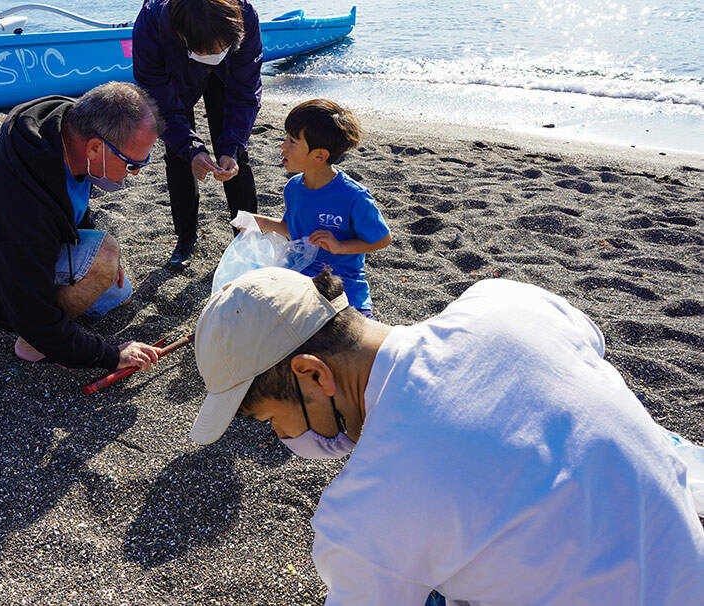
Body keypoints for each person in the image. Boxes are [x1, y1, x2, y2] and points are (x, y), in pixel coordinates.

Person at [191, 267, 704, 604]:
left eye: (271, 420)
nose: (283, 435)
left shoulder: (364, 513)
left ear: (314, 375)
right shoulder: (505, 302)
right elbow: (592, 345)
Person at [0, 82, 164, 371]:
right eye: (132, 163)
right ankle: (32, 346)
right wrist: (111, 356)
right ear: (95, 148)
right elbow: (34, 315)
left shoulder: (64, 125)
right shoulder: (20, 208)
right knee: (105, 258)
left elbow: (67, 198)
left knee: (116, 291)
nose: (137, 172)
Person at [133, 0, 262, 271]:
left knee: (235, 156)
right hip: (174, 73)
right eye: (207, 51)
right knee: (178, 153)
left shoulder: (243, 15)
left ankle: (247, 237)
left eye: (219, 49)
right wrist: (191, 148)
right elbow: (158, 99)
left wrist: (232, 145)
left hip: (228, 75)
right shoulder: (151, 23)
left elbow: (246, 91)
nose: (213, 55)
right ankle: (185, 236)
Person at [250, 99, 391, 318]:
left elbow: (382, 240)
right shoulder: (294, 187)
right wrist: (262, 223)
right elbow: (295, 231)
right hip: (299, 280)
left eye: (292, 141)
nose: (283, 146)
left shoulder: (353, 196)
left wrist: (339, 246)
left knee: (360, 342)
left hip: (344, 290)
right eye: (286, 138)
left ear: (319, 156)